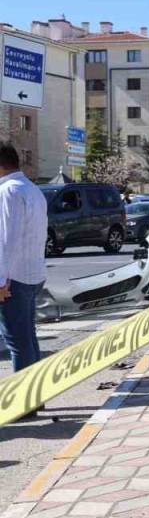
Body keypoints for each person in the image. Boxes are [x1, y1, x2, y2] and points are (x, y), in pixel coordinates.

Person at [0, 143, 48, 421]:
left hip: (14, 277)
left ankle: (22, 404)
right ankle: (35, 397)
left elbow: (8, 240)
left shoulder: (8, 192)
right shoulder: (31, 189)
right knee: (28, 337)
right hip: (32, 273)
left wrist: (2, 280)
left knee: (17, 340)